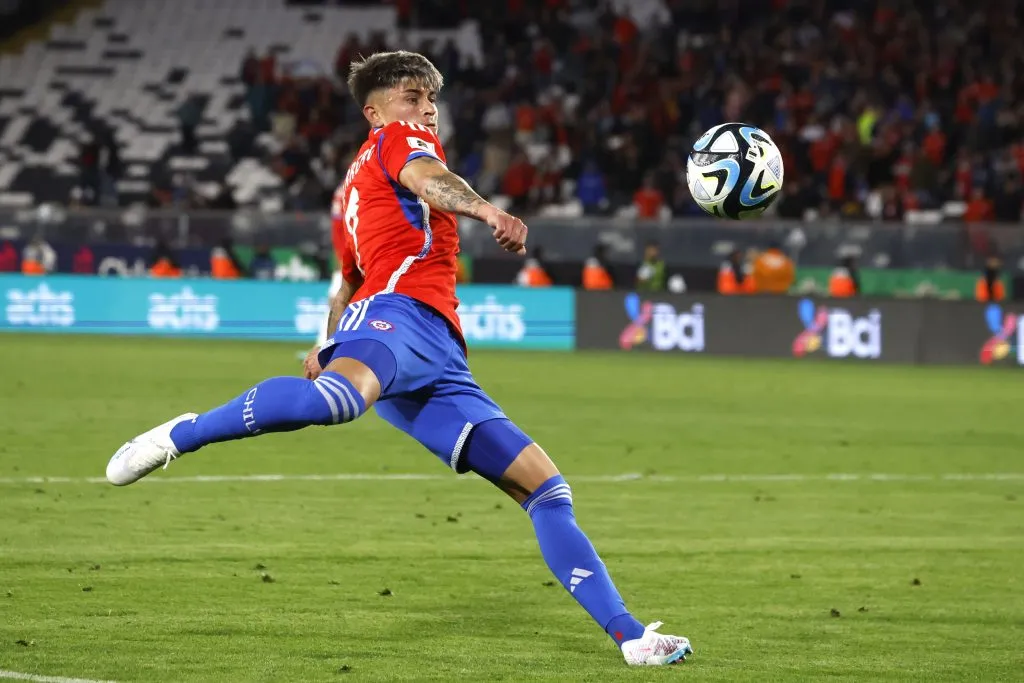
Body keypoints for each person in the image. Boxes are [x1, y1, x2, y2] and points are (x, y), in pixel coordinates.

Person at [104, 50, 692, 667]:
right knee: (334, 403)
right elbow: (428, 181)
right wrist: (488, 209)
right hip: (401, 317)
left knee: (545, 489)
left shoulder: (355, 189)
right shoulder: (397, 141)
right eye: (413, 96)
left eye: (431, 100)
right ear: (375, 110)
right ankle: (180, 434)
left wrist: (325, 340)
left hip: (437, 355)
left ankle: (632, 638)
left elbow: (348, 278)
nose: (426, 110)